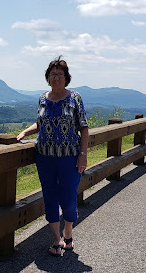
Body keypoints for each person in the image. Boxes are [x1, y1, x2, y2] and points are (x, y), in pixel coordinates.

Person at [17, 56, 89, 256]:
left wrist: (83, 155)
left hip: (69, 156)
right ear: (48, 78)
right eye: (53, 74)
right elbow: (40, 124)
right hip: (45, 157)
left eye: (60, 74)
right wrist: (24, 132)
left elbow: (83, 127)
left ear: (66, 78)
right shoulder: (42, 98)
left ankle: (68, 233)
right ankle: (57, 240)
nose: (56, 77)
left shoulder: (75, 98)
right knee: (49, 196)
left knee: (68, 196)